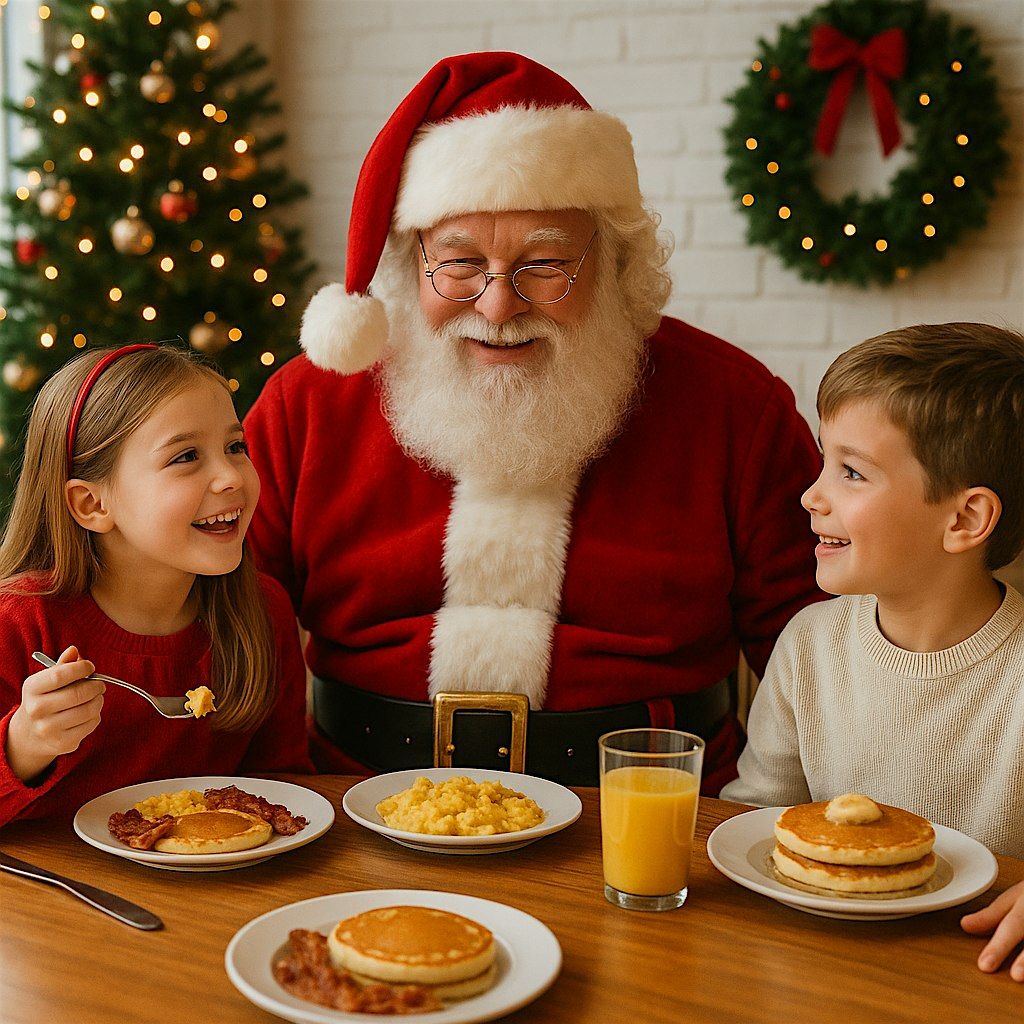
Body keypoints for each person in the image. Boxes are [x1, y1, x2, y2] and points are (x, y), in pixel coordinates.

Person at [244, 51, 821, 792]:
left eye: (545, 264)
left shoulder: (735, 407)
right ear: (406, 264)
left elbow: (825, 658)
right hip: (357, 806)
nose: (497, 306)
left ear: (614, 261)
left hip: (649, 821)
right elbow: (214, 626)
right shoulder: (309, 405)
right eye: (457, 263)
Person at [718, 323, 1024, 977]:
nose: (811, 495)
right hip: (813, 966)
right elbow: (751, 820)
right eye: (825, 461)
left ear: (965, 520)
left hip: (984, 973)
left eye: (851, 472)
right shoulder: (809, 646)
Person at [0, 344, 311, 827]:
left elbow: (286, 790)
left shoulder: (262, 611)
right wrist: (24, 745)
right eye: (186, 457)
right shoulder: (17, 623)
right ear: (91, 505)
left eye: (235, 447)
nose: (230, 477)